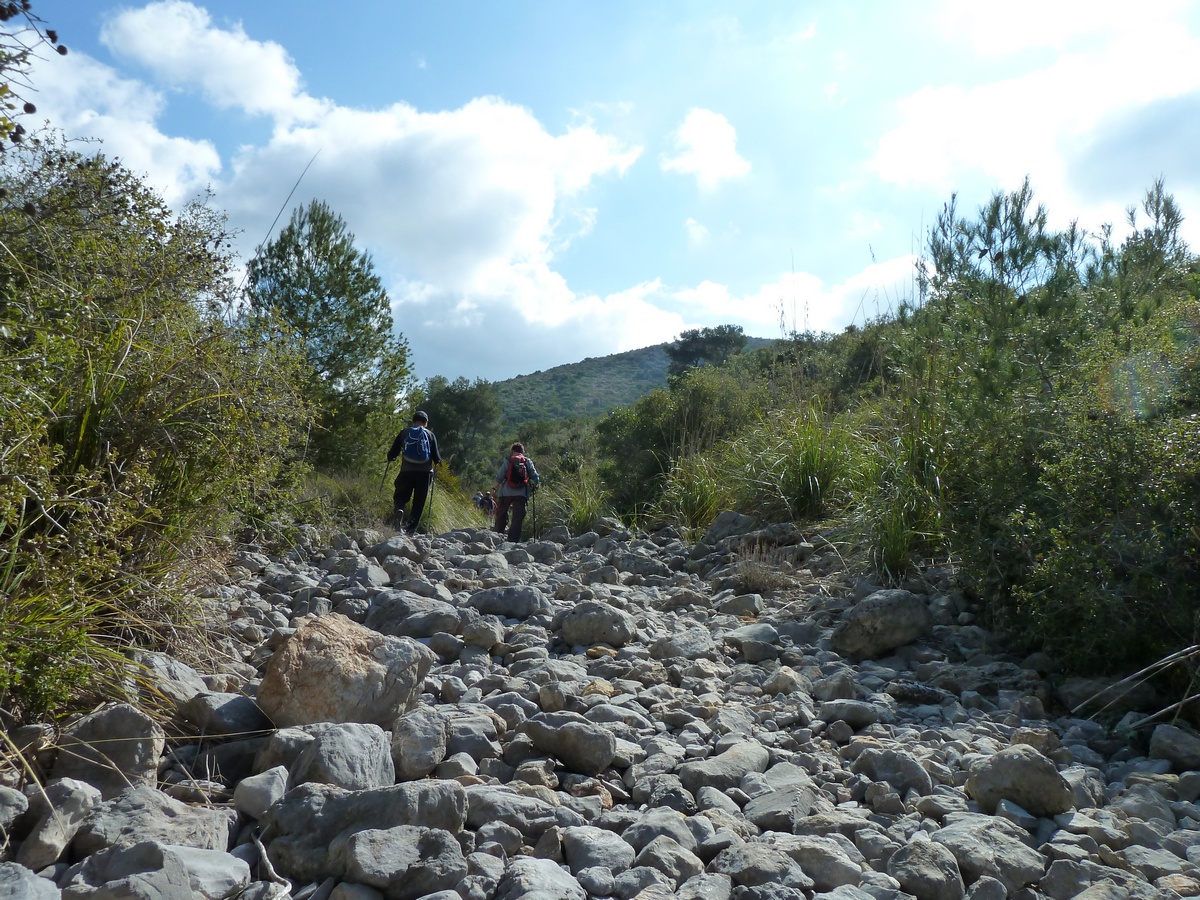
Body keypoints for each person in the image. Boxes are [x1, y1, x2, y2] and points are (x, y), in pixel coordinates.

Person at [386, 411, 441, 534]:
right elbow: (436, 457)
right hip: (425, 473)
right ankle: (410, 530)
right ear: (426, 423)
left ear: (413, 421)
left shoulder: (405, 432)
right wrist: (437, 461)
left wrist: (390, 457)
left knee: (401, 495)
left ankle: (400, 509)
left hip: (407, 471)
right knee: (419, 502)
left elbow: (393, 451)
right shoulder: (430, 434)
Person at [493, 442, 539, 542]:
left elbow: (500, 477)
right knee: (517, 517)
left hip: (506, 492)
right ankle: (513, 540)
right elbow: (535, 477)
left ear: (512, 451)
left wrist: (493, 488)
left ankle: (497, 536)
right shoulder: (527, 461)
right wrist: (535, 485)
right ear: (523, 451)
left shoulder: (508, 460)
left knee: (502, 513)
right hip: (521, 493)